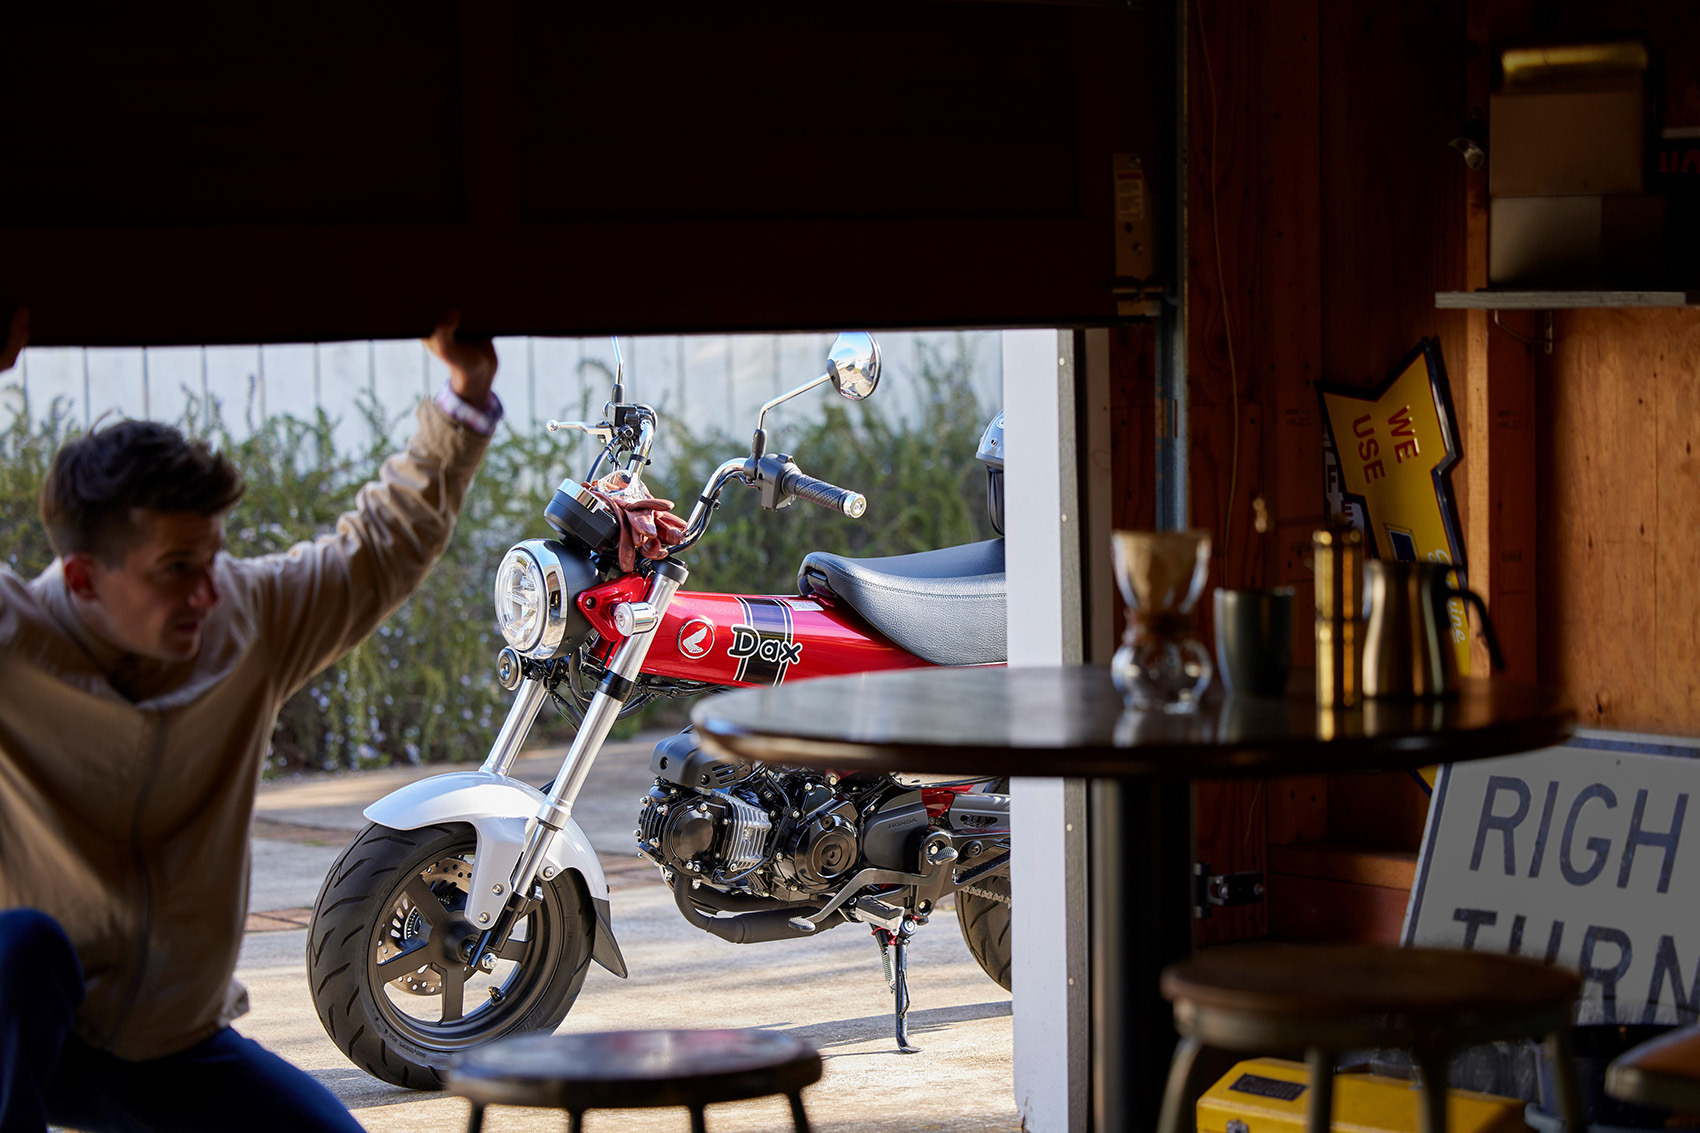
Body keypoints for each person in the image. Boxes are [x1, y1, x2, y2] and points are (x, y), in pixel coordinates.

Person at [0, 308, 501, 1132]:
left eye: (212, 556)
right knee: (19, 948)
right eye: (175, 568)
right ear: (83, 577)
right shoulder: (15, 645)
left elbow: (382, 546)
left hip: (177, 1047)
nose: (206, 591)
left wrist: (466, 394)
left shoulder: (248, 618)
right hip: (29, 1042)